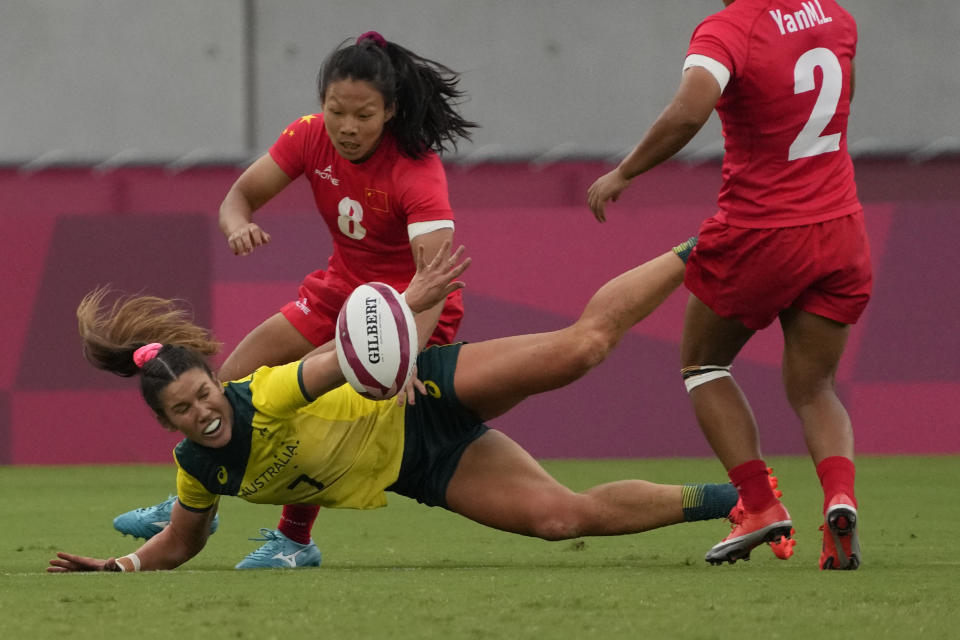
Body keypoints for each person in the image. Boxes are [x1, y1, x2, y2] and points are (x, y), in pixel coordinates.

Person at [49, 240, 744, 573]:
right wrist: (118, 568)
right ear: (167, 423)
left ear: (212, 377)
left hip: (421, 393)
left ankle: (700, 247)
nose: (203, 411)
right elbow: (183, 541)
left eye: (202, 392)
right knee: (563, 519)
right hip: (422, 466)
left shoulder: (261, 395)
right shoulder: (196, 467)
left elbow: (336, 359)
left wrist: (411, 303)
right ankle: (740, 504)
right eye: (183, 410)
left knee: (581, 350)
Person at [114, 30, 478, 569]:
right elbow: (239, 196)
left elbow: (436, 279)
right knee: (236, 377)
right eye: (336, 111)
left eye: (364, 115)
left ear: (391, 111)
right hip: (338, 290)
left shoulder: (416, 169)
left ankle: (294, 540)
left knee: (307, 397)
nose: (348, 127)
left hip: (404, 309)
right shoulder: (309, 138)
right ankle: (194, 510)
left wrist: (402, 357)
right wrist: (238, 224)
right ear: (321, 104)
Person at [587, 0, 869, 570]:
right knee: (816, 387)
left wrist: (626, 170)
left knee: (703, 365)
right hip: (840, 228)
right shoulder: (836, 17)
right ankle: (840, 498)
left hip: (762, 232)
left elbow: (690, 112)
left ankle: (761, 505)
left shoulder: (729, 28)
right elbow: (841, 107)